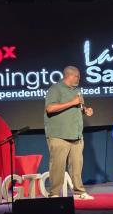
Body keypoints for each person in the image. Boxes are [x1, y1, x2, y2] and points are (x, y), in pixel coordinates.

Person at [44, 65, 94, 200]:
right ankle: (54, 194)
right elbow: (50, 108)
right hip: (59, 135)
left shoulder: (77, 91)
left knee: (77, 166)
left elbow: (80, 106)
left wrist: (85, 110)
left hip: (76, 135)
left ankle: (79, 193)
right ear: (69, 76)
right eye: (77, 76)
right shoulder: (55, 89)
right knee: (57, 167)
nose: (79, 79)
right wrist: (72, 102)